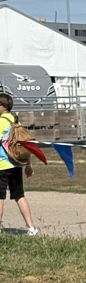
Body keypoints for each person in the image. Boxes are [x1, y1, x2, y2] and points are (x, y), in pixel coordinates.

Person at [0, 93, 38, 235]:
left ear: (3, 107)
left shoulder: (1, 122)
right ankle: (31, 228)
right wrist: (28, 164)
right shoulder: (16, 122)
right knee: (19, 195)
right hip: (16, 164)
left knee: (0, 197)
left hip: (2, 165)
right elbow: (24, 145)